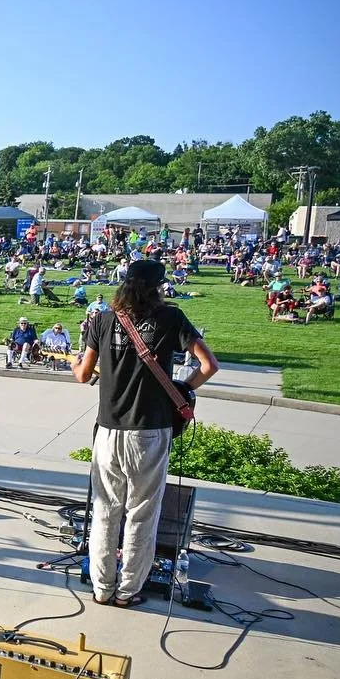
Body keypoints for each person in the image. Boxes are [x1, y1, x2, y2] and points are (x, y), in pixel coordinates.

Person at [72, 259, 219, 608]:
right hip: (150, 432)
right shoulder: (171, 317)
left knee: (105, 510)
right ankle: (128, 592)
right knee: (142, 513)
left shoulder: (103, 319)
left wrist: (75, 364)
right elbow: (209, 365)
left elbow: (84, 375)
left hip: (109, 431)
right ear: (159, 287)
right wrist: (184, 388)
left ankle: (102, 588)